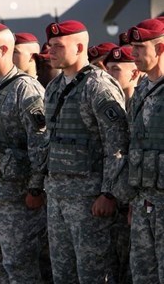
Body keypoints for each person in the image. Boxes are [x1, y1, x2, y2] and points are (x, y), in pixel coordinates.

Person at [42, 20, 129, 284]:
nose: (51, 51)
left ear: (80, 47)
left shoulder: (98, 86)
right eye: (50, 46)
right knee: (63, 274)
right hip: (57, 197)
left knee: (94, 274)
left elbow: (117, 144)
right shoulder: (55, 88)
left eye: (58, 46)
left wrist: (108, 193)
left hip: (89, 201)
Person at [0, 24, 50, 283]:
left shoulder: (25, 89)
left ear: (5, 49)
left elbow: (40, 142)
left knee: (20, 267)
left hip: (18, 198)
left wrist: (35, 188)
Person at [121, 18, 164, 284]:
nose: (132, 53)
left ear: (160, 49)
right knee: (142, 275)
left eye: (139, 47)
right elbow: (132, 144)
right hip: (143, 202)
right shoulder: (142, 90)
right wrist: (133, 201)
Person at [104, 45, 139, 284]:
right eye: (107, 69)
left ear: (135, 74)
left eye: (116, 69)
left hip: (136, 203)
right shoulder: (111, 106)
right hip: (115, 203)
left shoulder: (140, 103)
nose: (109, 75)